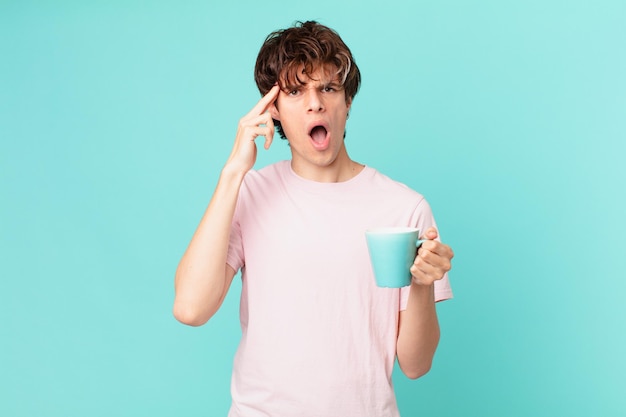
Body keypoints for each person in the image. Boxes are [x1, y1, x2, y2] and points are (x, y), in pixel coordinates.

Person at [174, 21, 454, 417]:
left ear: (347, 102)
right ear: (273, 110)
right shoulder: (250, 195)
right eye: (294, 91)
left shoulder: (404, 209)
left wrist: (423, 285)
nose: (315, 103)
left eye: (328, 88)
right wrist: (233, 172)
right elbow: (190, 308)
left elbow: (416, 365)